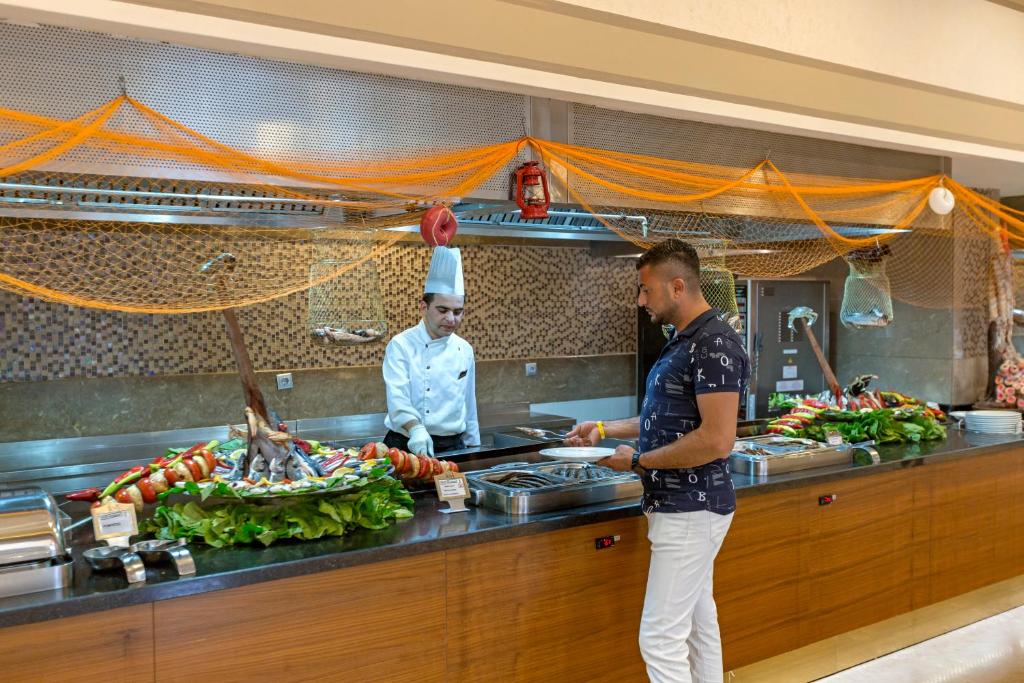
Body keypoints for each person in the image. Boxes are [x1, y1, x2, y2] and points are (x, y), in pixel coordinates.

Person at [565, 238, 749, 683]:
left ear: (678, 286)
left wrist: (638, 462)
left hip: (690, 508)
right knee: (699, 624)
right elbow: (665, 418)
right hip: (683, 507)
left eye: (647, 290)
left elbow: (716, 439)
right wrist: (604, 429)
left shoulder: (714, 343)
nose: (641, 300)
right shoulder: (685, 340)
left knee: (660, 638)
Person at [382, 246, 480, 456]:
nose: (451, 319)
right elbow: (397, 399)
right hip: (407, 443)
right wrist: (416, 429)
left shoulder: (464, 349)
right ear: (423, 307)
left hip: (453, 447)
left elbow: (469, 403)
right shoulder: (401, 345)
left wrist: (474, 447)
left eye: (458, 312)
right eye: (442, 310)